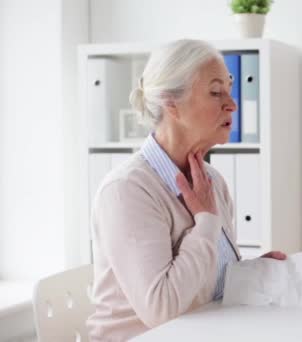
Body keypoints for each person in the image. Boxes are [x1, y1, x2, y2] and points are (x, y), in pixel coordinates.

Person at [86, 39, 286, 341]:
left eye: (229, 91)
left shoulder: (212, 182)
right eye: (216, 92)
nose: (232, 104)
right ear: (171, 104)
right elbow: (161, 310)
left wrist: (252, 273)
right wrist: (205, 221)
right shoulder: (126, 191)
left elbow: (207, 288)